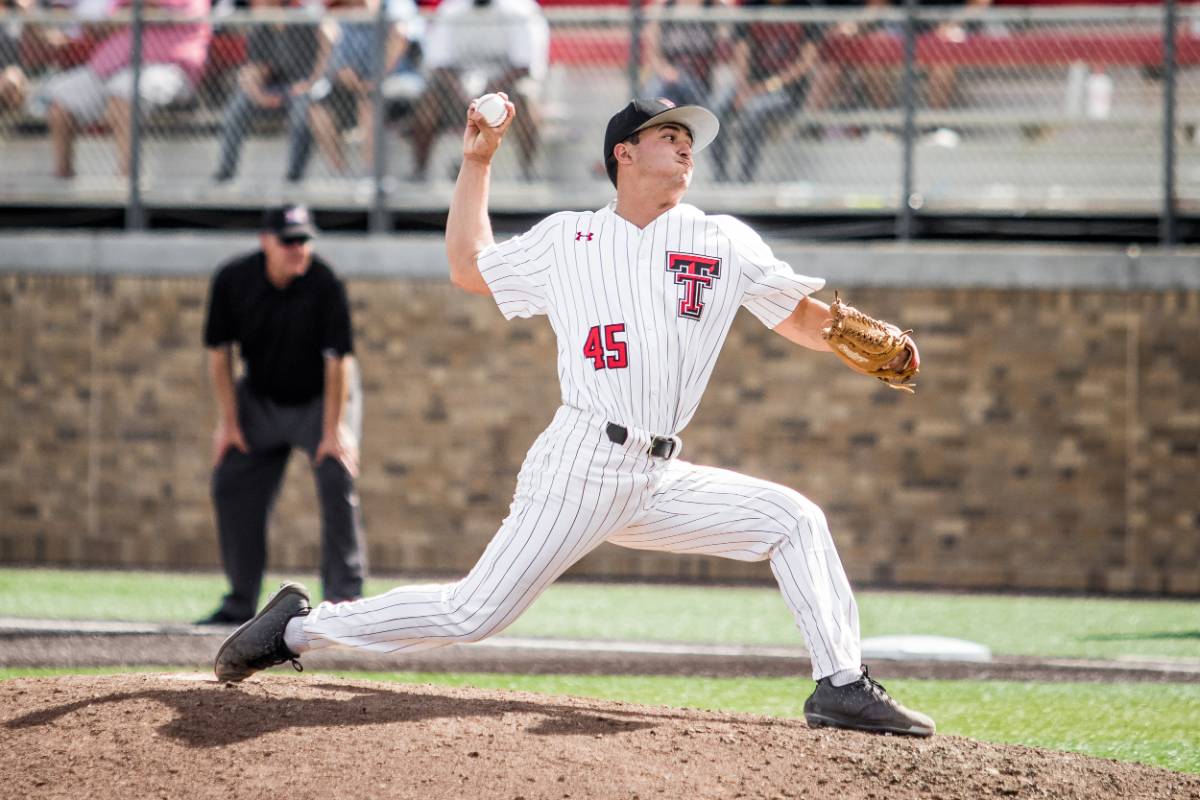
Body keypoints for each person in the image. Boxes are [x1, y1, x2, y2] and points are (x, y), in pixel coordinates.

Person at [213, 96, 933, 739]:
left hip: (658, 474)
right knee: (474, 614)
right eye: (669, 135)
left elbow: (797, 317)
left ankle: (841, 686)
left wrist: (848, 338)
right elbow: (469, 265)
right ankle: (298, 630)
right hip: (583, 464)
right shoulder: (570, 239)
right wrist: (476, 163)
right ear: (624, 152)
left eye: (690, 139)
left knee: (795, 521)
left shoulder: (722, 240)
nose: (686, 147)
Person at [197, 203, 367, 626]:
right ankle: (239, 602)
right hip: (260, 398)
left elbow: (339, 362)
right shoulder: (233, 279)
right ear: (266, 241)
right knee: (230, 480)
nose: (298, 249)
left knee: (336, 473)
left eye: (304, 240)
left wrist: (333, 431)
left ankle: (344, 603)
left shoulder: (325, 282)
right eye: (289, 241)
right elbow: (219, 355)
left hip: (321, 398)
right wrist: (230, 424)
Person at [39, 0, 210, 178]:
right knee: (61, 101)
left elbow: (164, 14)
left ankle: (127, 183)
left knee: (123, 95)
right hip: (112, 65)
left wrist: (139, 12)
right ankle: (63, 178)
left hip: (168, 67)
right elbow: (112, 20)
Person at [407, 0, 546, 182]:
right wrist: (463, 93)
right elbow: (439, 64)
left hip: (505, 93)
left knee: (526, 95)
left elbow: (525, 65)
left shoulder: (521, 10)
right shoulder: (450, 11)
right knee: (429, 98)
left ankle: (528, 173)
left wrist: (491, 91)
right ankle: (420, 173)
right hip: (458, 92)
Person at [212, 0, 331, 183]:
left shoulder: (304, 16)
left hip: (307, 85)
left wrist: (310, 83)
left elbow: (327, 48)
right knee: (236, 109)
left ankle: (294, 177)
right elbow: (258, 67)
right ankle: (225, 172)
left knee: (301, 115)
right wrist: (258, 93)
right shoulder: (261, 27)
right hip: (275, 87)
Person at [709, 0, 822, 183]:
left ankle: (745, 178)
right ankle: (720, 177)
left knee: (754, 112)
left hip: (788, 90)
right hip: (750, 85)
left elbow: (806, 63)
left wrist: (766, 87)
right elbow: (741, 50)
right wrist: (744, 87)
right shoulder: (751, 7)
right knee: (716, 107)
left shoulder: (805, 8)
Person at [307, 0, 422, 176]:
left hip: (396, 84)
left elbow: (402, 37)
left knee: (368, 107)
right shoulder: (347, 13)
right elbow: (339, 57)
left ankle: (371, 177)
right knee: (318, 110)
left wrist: (377, 79)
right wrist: (344, 72)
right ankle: (340, 175)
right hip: (357, 87)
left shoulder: (397, 6)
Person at [641, 0, 733, 109]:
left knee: (676, 89)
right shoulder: (664, 7)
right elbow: (652, 52)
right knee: (657, 90)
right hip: (667, 75)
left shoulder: (712, 7)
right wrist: (664, 70)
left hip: (697, 80)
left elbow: (727, 48)